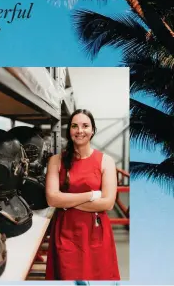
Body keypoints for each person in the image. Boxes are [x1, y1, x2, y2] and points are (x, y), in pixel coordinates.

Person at [45, 109, 120, 280]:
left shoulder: (106, 161)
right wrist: (92, 195)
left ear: (93, 130)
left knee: (99, 276)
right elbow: (52, 199)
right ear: (69, 130)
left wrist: (65, 201)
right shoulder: (56, 161)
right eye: (74, 126)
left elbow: (107, 203)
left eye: (85, 126)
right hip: (66, 232)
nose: (80, 131)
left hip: (96, 232)